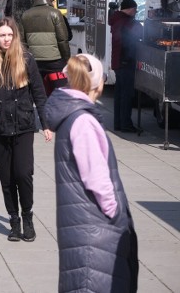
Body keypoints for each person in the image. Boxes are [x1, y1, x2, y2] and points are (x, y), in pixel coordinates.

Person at [45, 54, 138, 292]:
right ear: (97, 83)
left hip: (83, 225)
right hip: (96, 229)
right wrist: (116, 213)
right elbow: (96, 178)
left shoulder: (72, 115)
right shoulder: (83, 121)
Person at [0, 17, 52, 242]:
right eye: (2, 35)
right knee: (6, 178)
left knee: (23, 174)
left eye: (10, 35)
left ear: (15, 36)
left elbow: (39, 93)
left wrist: (45, 124)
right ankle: (14, 220)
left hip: (24, 126)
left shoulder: (26, 59)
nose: (6, 39)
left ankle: (28, 216)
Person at [21, 0, 71, 92]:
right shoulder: (55, 13)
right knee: (59, 89)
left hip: (34, 60)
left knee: (36, 89)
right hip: (55, 60)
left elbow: (22, 41)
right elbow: (62, 39)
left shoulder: (26, 15)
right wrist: (67, 58)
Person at [109, 0, 143, 133]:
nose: (135, 12)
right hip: (125, 61)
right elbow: (139, 32)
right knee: (127, 95)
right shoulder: (127, 22)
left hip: (118, 61)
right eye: (135, 10)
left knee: (119, 94)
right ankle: (126, 124)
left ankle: (118, 123)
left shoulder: (116, 19)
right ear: (129, 9)